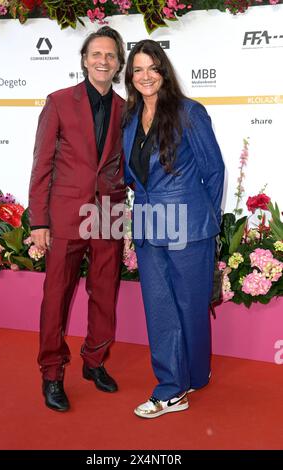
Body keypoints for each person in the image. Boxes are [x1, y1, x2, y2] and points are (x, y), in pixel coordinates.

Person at [122, 40, 225, 419]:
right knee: (161, 309)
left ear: (163, 71)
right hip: (149, 227)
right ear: (130, 77)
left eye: (152, 67)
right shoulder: (131, 119)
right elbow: (137, 178)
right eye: (137, 69)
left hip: (190, 227)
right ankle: (171, 389)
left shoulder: (189, 113)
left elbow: (214, 171)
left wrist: (205, 222)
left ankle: (196, 372)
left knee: (192, 307)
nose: (145, 76)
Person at [29, 26, 126, 412]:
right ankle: (52, 373)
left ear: (118, 64)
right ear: (85, 60)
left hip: (109, 214)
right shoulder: (58, 102)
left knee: (104, 295)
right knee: (56, 298)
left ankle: (95, 362)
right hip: (66, 216)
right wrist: (39, 222)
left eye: (111, 56)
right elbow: (42, 165)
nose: (103, 61)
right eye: (96, 54)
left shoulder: (125, 108)